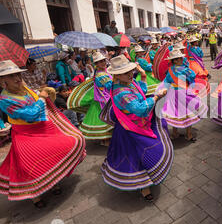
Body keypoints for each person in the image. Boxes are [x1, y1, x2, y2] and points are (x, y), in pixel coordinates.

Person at [0, 60, 86, 207]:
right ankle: (35, 195)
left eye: (17, 74)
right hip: (25, 134)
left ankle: (52, 183)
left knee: (73, 139)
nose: (17, 78)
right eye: (11, 76)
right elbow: (30, 114)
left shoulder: (25, 88)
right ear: (2, 80)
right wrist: (42, 97)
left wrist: (46, 94)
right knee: (30, 165)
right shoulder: (5, 100)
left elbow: (41, 101)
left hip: (42, 127)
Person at [100, 55, 172, 201]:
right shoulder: (122, 93)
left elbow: (141, 92)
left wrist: (144, 76)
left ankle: (146, 181)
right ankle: (143, 186)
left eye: (131, 71)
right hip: (130, 130)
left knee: (142, 154)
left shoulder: (129, 83)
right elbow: (139, 109)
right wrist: (156, 97)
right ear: (116, 75)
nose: (130, 74)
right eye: (126, 72)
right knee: (134, 158)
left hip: (139, 124)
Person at [160, 49, 207, 142]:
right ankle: (188, 134)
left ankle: (175, 133)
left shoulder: (169, 70)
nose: (182, 59)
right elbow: (192, 77)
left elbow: (166, 81)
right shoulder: (185, 70)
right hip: (182, 93)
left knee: (175, 112)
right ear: (175, 60)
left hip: (172, 93)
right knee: (188, 112)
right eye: (180, 58)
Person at [67, 52, 114, 144]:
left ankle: (107, 139)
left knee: (104, 120)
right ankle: (106, 140)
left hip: (104, 98)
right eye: (100, 62)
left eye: (103, 60)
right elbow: (110, 86)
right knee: (105, 120)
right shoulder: (101, 75)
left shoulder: (103, 71)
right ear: (96, 64)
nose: (103, 63)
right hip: (104, 100)